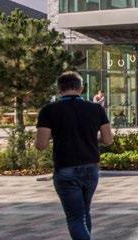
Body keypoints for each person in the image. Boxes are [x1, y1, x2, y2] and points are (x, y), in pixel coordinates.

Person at [36, 71, 113, 240]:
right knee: (84, 212)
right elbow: (108, 140)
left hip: (66, 168)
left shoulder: (48, 111)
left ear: (59, 90)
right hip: (91, 167)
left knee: (75, 217)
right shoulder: (96, 109)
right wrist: (90, 136)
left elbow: (41, 145)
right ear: (81, 88)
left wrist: (58, 134)